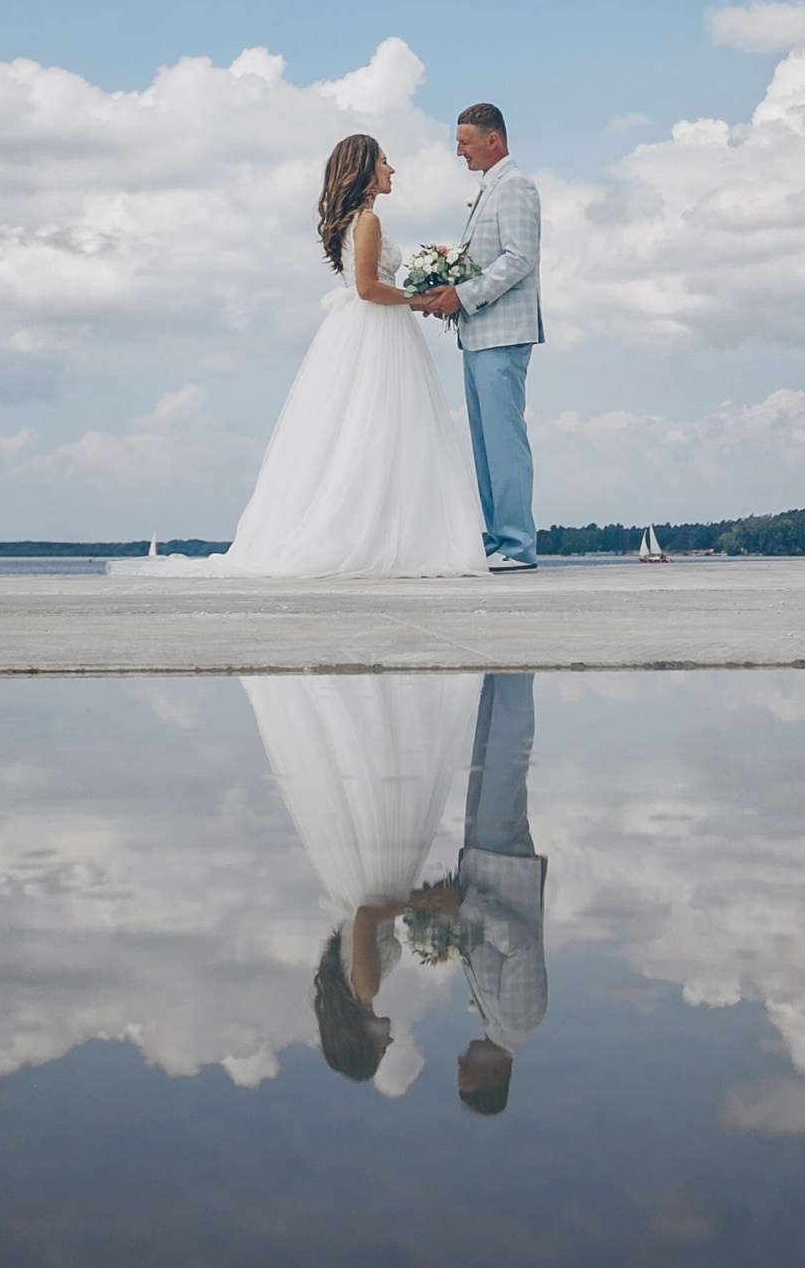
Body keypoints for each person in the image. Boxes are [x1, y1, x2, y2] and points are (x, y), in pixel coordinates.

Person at [113, 134, 487, 578]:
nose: (392, 169)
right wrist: (421, 299)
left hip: (369, 329)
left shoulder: (358, 221)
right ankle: (377, 536)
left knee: (373, 430)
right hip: (375, 330)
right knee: (378, 426)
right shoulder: (367, 222)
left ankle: (385, 532)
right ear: (366, 170)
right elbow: (367, 288)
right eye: (385, 162)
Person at [241, 672, 485, 1092]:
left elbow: (367, 916)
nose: (390, 1040)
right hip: (367, 879)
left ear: (361, 1039)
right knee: (369, 776)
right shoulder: (351, 985)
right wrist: (421, 902)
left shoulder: (365, 986)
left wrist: (424, 906)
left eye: (381, 1048)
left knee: (391, 774)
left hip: (373, 880)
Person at [410, 105, 542, 574]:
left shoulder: (517, 187)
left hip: (502, 332)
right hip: (479, 334)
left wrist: (462, 295)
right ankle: (499, 537)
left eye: (465, 142)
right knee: (485, 442)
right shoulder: (490, 190)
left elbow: (519, 258)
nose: (458, 151)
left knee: (504, 440)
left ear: (494, 139)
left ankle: (518, 543)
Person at [413, 672, 548, 1115]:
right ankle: (518, 667)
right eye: (467, 1066)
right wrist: (464, 907)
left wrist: (447, 916)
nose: (460, 1057)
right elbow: (523, 948)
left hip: (482, 863)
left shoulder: (494, 1020)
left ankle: (500, 669)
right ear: (495, 1074)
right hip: (503, 864)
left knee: (487, 754)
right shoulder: (520, 1022)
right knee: (507, 758)